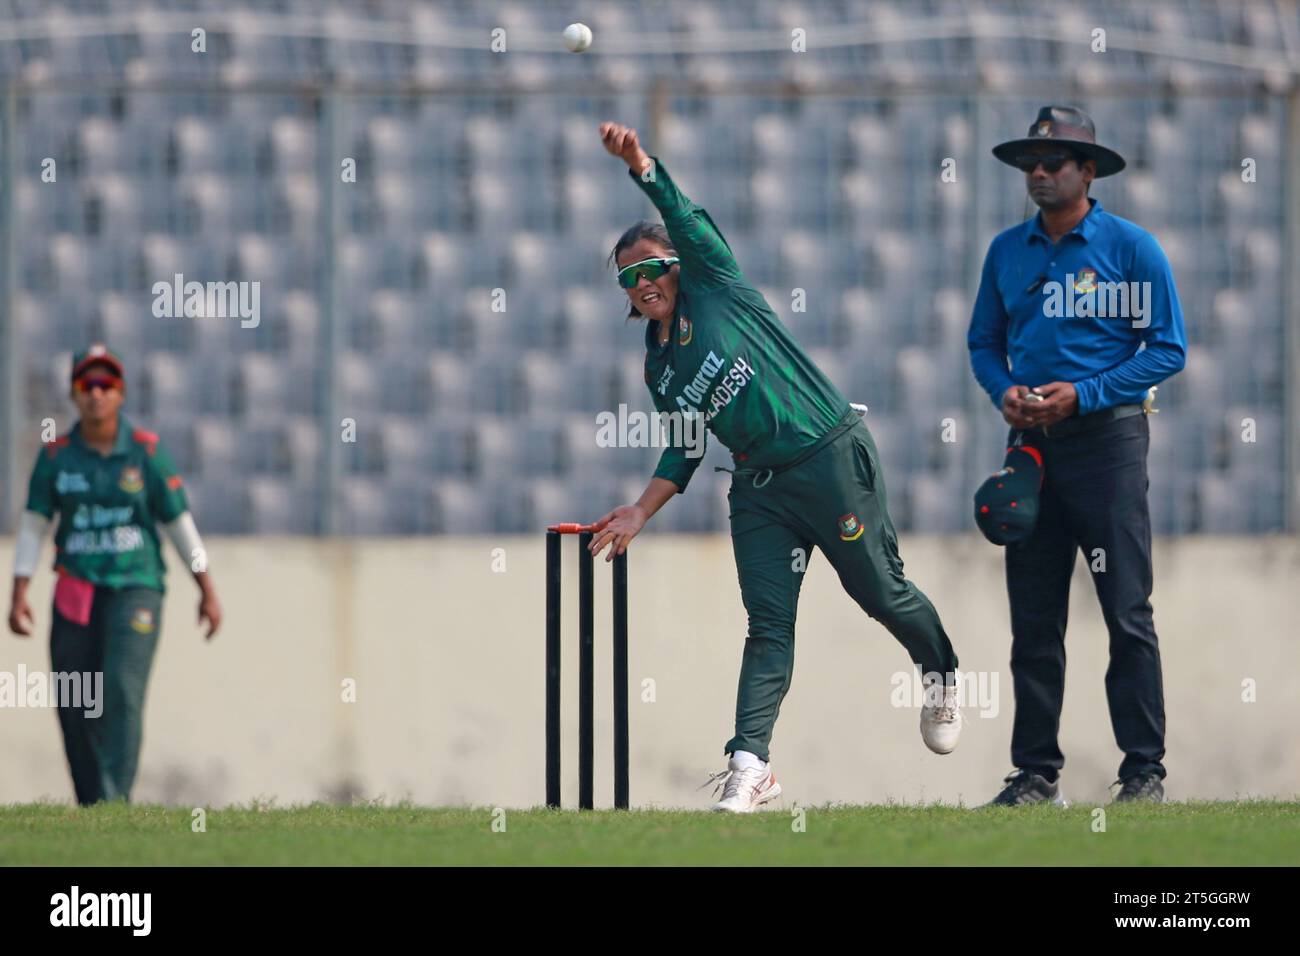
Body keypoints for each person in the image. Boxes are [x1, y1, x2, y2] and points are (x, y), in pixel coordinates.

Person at [586, 122, 962, 813]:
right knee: (767, 627)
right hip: (760, 490)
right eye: (627, 278)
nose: (642, 285)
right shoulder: (658, 365)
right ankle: (750, 763)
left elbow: (687, 218)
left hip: (826, 456)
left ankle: (940, 671)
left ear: (677, 265)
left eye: (650, 268)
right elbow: (686, 446)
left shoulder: (716, 285)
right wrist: (641, 508)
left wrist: (640, 163)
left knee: (880, 593)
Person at [967, 106, 1186, 806]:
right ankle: (1035, 774)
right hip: (1031, 444)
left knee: (1126, 608)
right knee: (1033, 617)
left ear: (1087, 172)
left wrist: (1083, 395)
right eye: (1032, 161)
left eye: (1054, 160)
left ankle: (1143, 772)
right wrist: (1005, 393)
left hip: (1109, 445)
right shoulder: (1006, 250)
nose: (1039, 171)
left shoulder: (1131, 248)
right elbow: (983, 343)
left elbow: (1168, 348)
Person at [7, 344, 222, 805]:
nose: (97, 395)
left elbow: (179, 524)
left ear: (121, 394)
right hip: (77, 588)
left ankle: (115, 799)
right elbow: (34, 524)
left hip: (135, 587)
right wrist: (19, 589)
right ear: (74, 394)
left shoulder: (146, 453)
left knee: (121, 688)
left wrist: (206, 588)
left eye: (106, 386)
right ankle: (92, 804)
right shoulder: (57, 457)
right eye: (88, 386)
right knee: (75, 695)